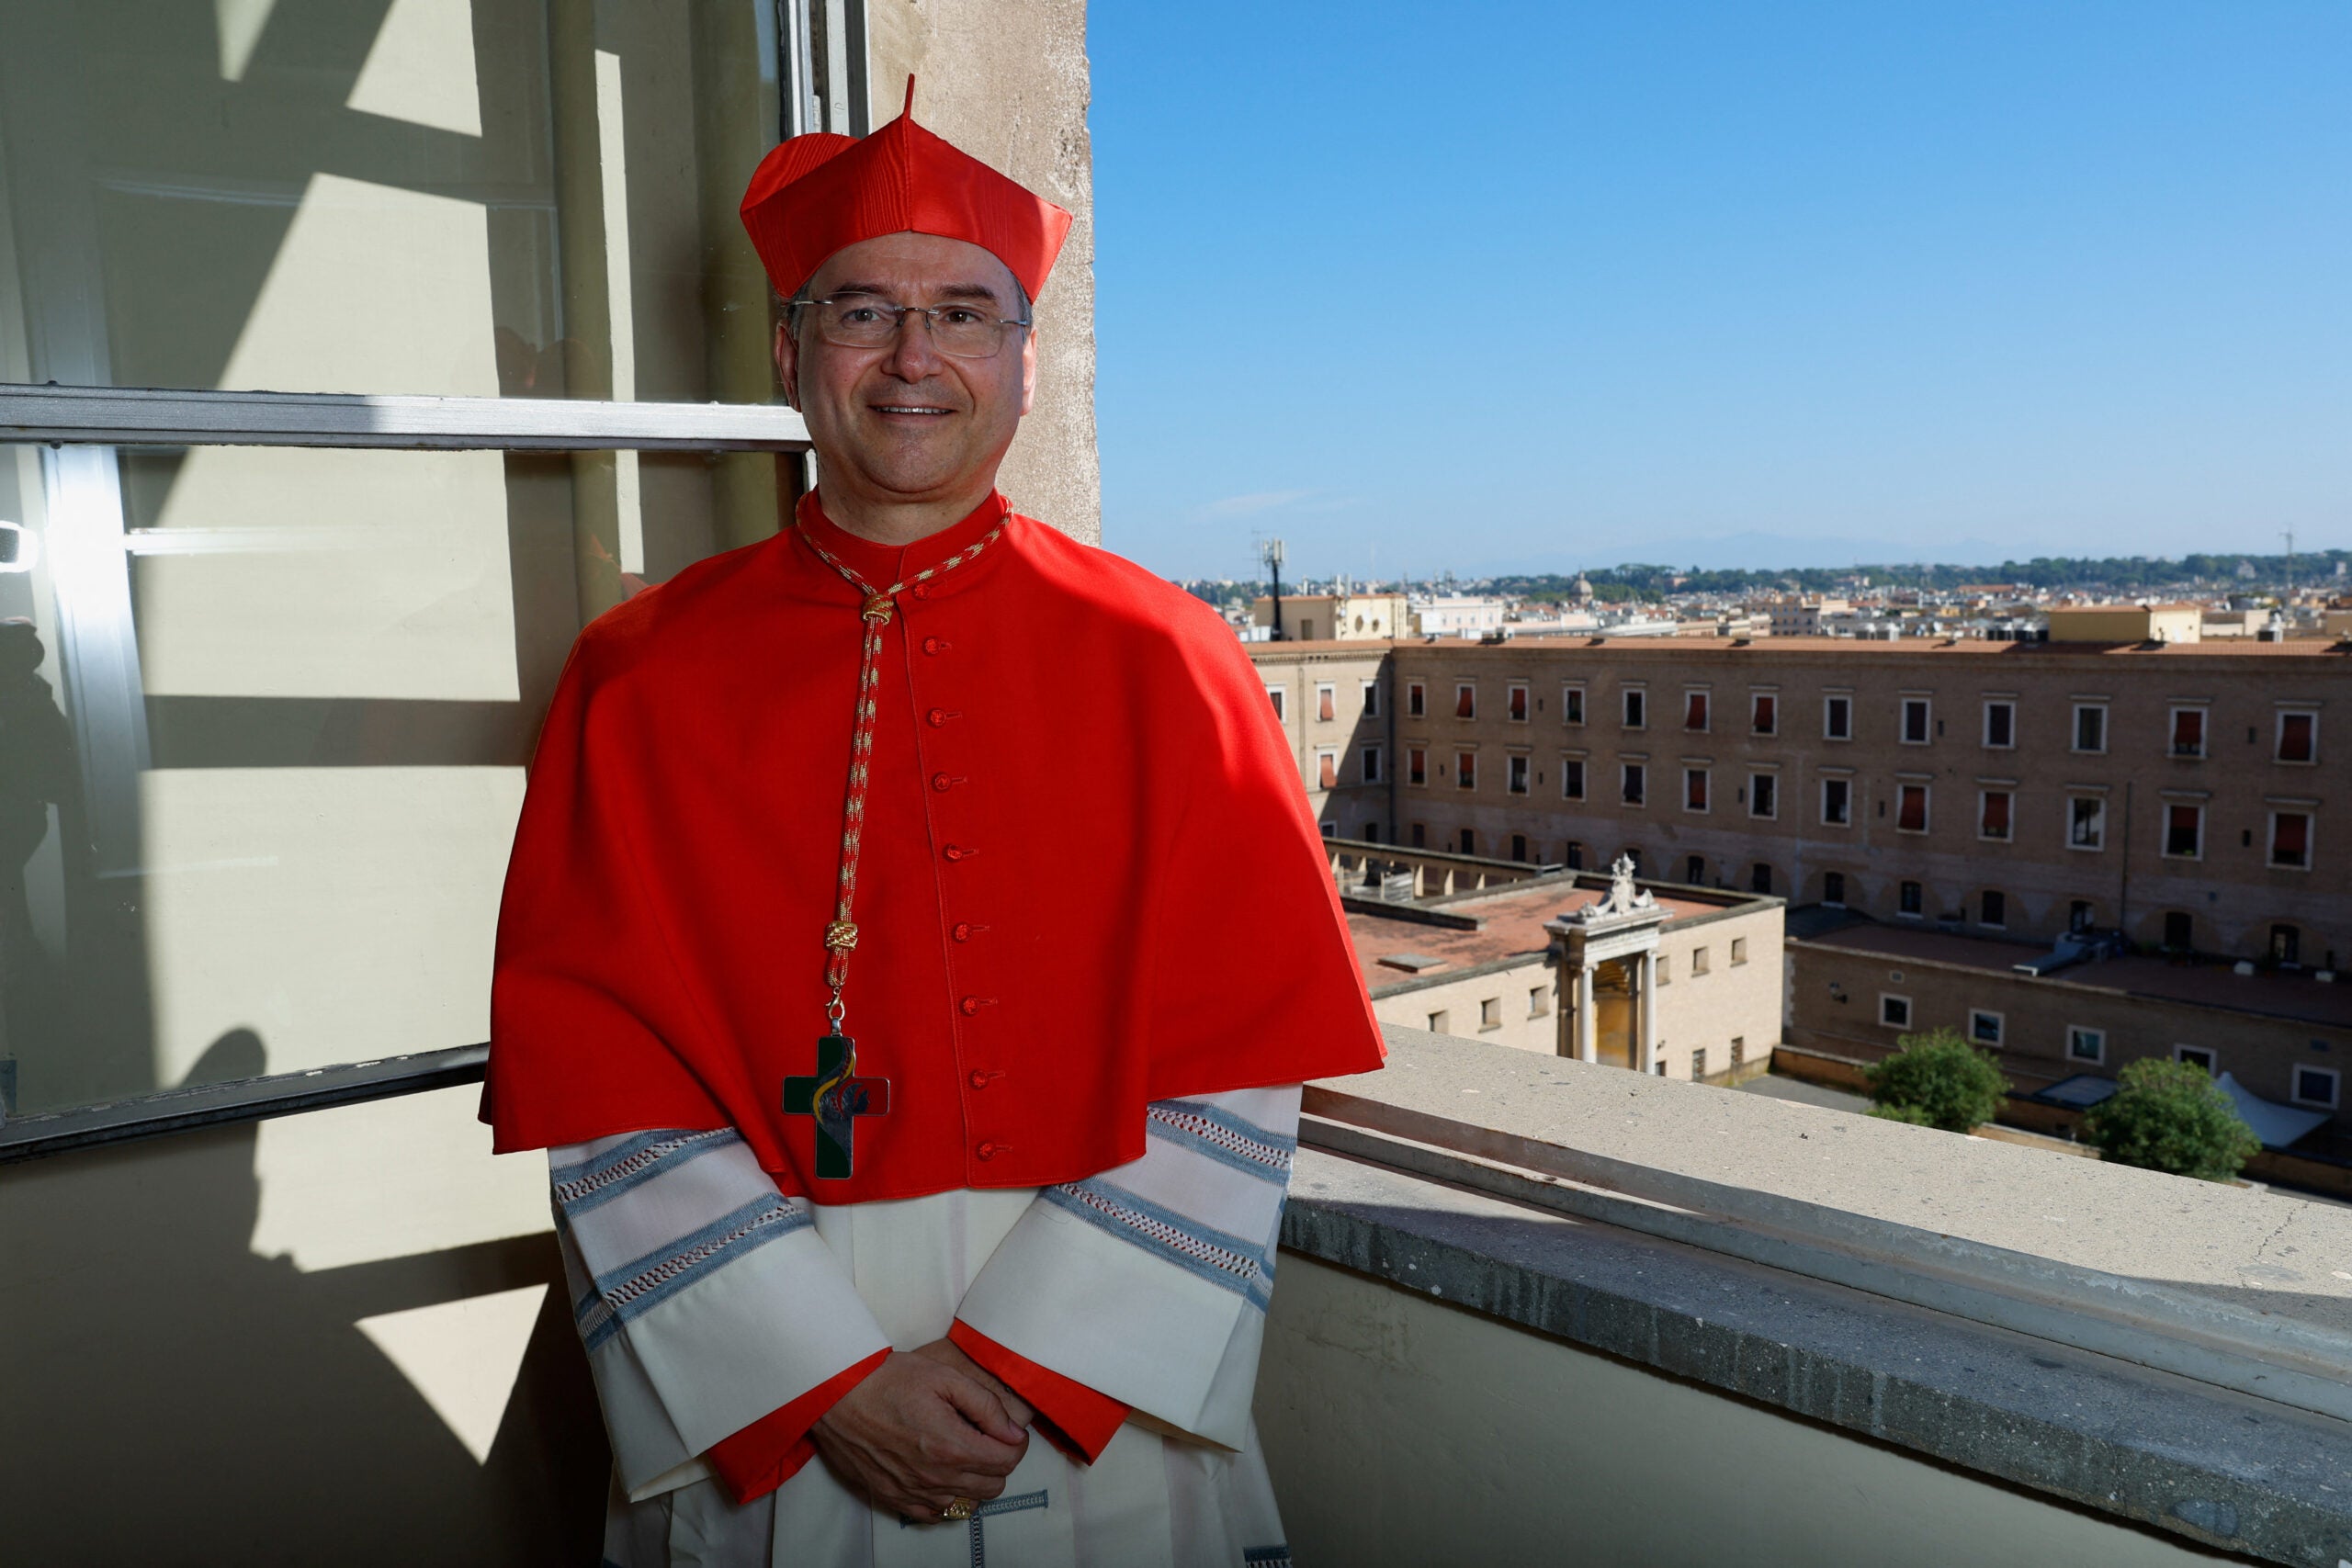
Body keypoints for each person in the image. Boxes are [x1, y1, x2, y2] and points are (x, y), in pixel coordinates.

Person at [483, 81, 1385, 1567]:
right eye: (861, 312)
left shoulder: (1171, 657)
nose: (915, 357)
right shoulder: (633, 674)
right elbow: (601, 1077)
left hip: (1089, 1358)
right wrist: (821, 1378)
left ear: (1026, 367)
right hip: (769, 1363)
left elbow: (1248, 1055)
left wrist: (1038, 1359)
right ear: (790, 351)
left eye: (966, 313)